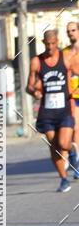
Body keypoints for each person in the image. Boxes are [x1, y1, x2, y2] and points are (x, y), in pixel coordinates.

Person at [27, 28, 79, 192]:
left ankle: (72, 150)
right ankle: (64, 179)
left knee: (63, 143)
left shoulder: (66, 57)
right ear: (43, 43)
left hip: (65, 108)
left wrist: (75, 91)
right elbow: (29, 85)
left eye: (53, 44)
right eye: (47, 44)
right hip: (47, 111)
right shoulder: (37, 61)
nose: (50, 47)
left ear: (57, 43)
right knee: (54, 145)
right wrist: (34, 91)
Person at [64, 20, 79, 176]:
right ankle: (76, 162)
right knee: (75, 129)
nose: (70, 33)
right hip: (73, 97)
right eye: (68, 31)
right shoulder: (65, 53)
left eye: (73, 30)